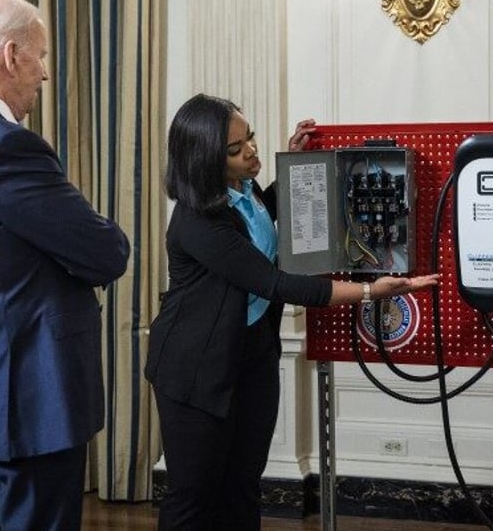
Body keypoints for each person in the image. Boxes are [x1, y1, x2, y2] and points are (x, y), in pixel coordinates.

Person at [145, 94, 439, 530]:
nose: (251, 152)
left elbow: (260, 220)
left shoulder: (244, 193)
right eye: (235, 149)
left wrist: (293, 166)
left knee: (243, 485)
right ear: (206, 161)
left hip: (250, 357)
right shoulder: (197, 222)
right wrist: (368, 291)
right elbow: (273, 281)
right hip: (195, 372)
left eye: (251, 139)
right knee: (195, 498)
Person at [0, 0, 130, 530]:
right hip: (36, 392)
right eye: (40, 57)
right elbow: (108, 253)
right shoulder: (7, 148)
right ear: (11, 55)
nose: (44, 74)